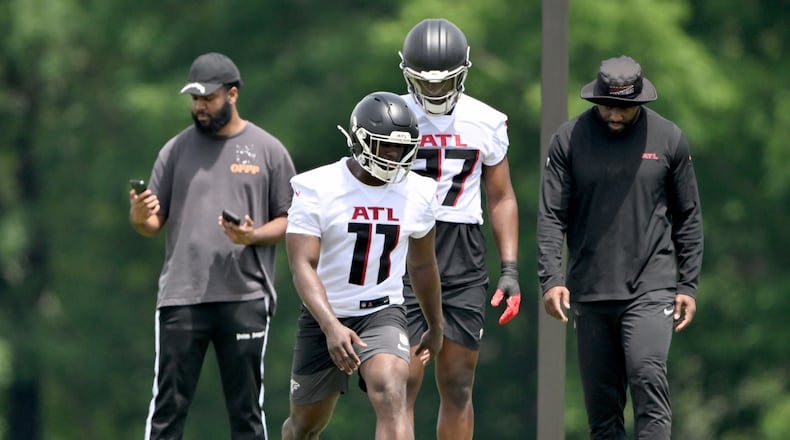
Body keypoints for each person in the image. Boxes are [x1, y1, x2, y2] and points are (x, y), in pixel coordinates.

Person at [129, 52, 296, 440]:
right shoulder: (174, 150)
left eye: (208, 98)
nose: (199, 107)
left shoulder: (268, 151)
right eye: (195, 99)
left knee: (246, 411)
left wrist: (252, 236)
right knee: (168, 407)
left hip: (245, 296)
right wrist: (139, 215)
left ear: (232, 94)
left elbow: (291, 219)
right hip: (181, 297)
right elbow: (152, 223)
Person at [537, 55, 704, 439]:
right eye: (607, 105)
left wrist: (687, 285)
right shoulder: (568, 140)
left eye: (624, 108)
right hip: (590, 290)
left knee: (648, 376)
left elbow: (689, 217)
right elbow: (550, 216)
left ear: (640, 101)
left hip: (651, 286)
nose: (615, 114)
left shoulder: (669, 140)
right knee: (602, 410)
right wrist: (550, 279)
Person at [281, 91, 444, 440]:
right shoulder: (317, 187)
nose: (393, 155)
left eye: (401, 148)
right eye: (384, 145)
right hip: (324, 314)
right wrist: (330, 326)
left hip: (381, 313)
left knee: (391, 391)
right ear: (359, 139)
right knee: (304, 427)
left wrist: (435, 323)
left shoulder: (419, 192)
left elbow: (423, 265)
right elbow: (302, 265)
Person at [396, 18, 521, 439]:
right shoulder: (390, 114)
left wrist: (510, 267)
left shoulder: (485, 120)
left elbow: (501, 196)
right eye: (424, 83)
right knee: (402, 382)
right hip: (405, 245)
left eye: (442, 83)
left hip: (462, 248)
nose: (433, 91)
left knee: (458, 383)